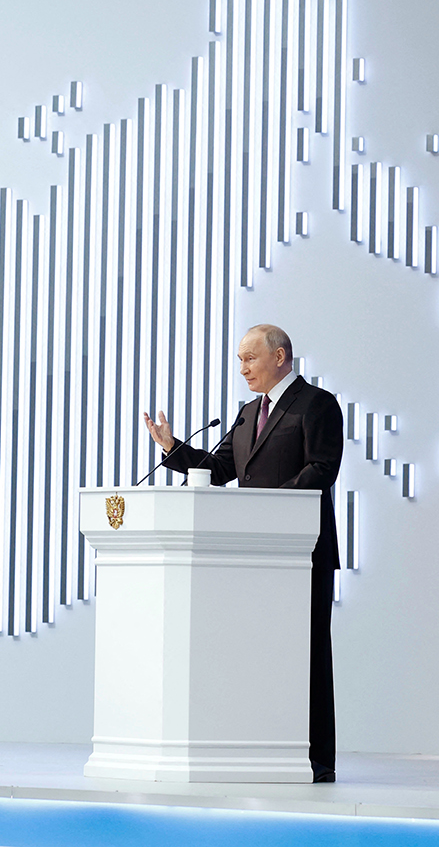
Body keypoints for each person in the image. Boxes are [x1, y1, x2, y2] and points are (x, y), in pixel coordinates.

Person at [142, 324, 343, 783]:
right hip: (254, 557)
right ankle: (264, 749)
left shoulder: (317, 404)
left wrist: (266, 508)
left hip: (303, 554)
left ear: (280, 356)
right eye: (240, 360)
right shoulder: (248, 413)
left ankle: (317, 759)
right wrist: (172, 447)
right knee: (259, 654)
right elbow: (219, 469)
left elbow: (322, 468)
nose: (243, 369)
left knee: (308, 654)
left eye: (250, 358)